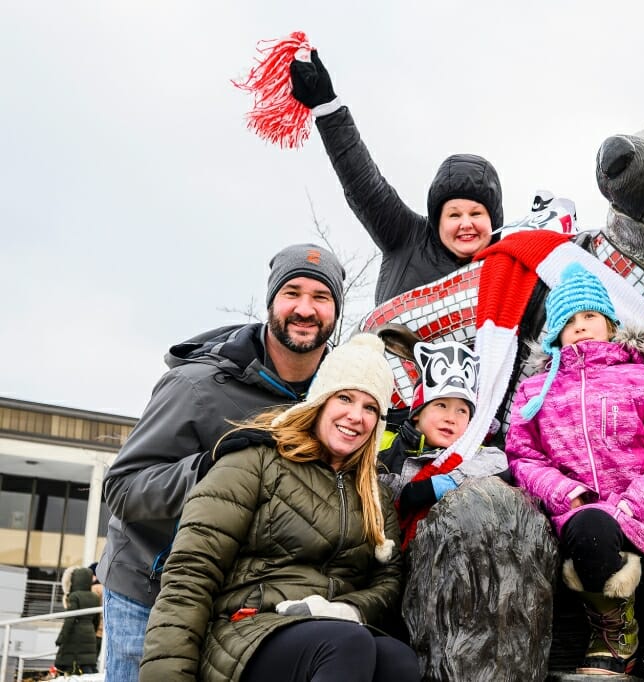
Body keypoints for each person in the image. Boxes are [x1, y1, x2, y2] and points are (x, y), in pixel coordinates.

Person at [98, 243, 346, 682]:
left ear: (336, 311)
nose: (305, 309)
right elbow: (122, 489)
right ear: (272, 302)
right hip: (150, 588)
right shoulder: (195, 386)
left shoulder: (335, 397)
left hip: (238, 599)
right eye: (292, 293)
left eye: (320, 297)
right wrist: (206, 465)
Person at [139, 334, 420, 682]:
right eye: (344, 398)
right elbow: (192, 571)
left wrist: (348, 608)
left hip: (334, 628)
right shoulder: (256, 461)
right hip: (246, 628)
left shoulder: (372, 491)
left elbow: (389, 581)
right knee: (346, 644)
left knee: (399, 661)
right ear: (319, 401)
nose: (355, 416)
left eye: (370, 408)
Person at [505, 262, 644, 680]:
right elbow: (523, 456)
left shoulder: (642, 379)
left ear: (611, 325)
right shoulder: (535, 390)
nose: (580, 326)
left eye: (590, 316)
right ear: (555, 332)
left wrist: (635, 504)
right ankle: (616, 631)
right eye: (569, 321)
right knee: (591, 527)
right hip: (582, 517)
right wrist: (565, 493)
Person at [290, 50, 503, 304]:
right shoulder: (407, 237)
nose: (465, 223)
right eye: (454, 214)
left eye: (476, 213)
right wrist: (328, 109)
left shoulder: (509, 270)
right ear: (438, 221)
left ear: (494, 221)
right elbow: (364, 183)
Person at [377, 339, 509, 547]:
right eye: (441, 405)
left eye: (462, 410)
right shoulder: (386, 448)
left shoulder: (473, 452)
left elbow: (500, 463)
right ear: (417, 414)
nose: (451, 417)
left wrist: (440, 485)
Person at [55, 566, 101, 676]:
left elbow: (70, 619)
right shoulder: (94, 597)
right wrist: (92, 632)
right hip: (90, 633)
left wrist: (61, 638)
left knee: (68, 662)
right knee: (86, 663)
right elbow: (96, 618)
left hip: (75, 633)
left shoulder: (75, 596)